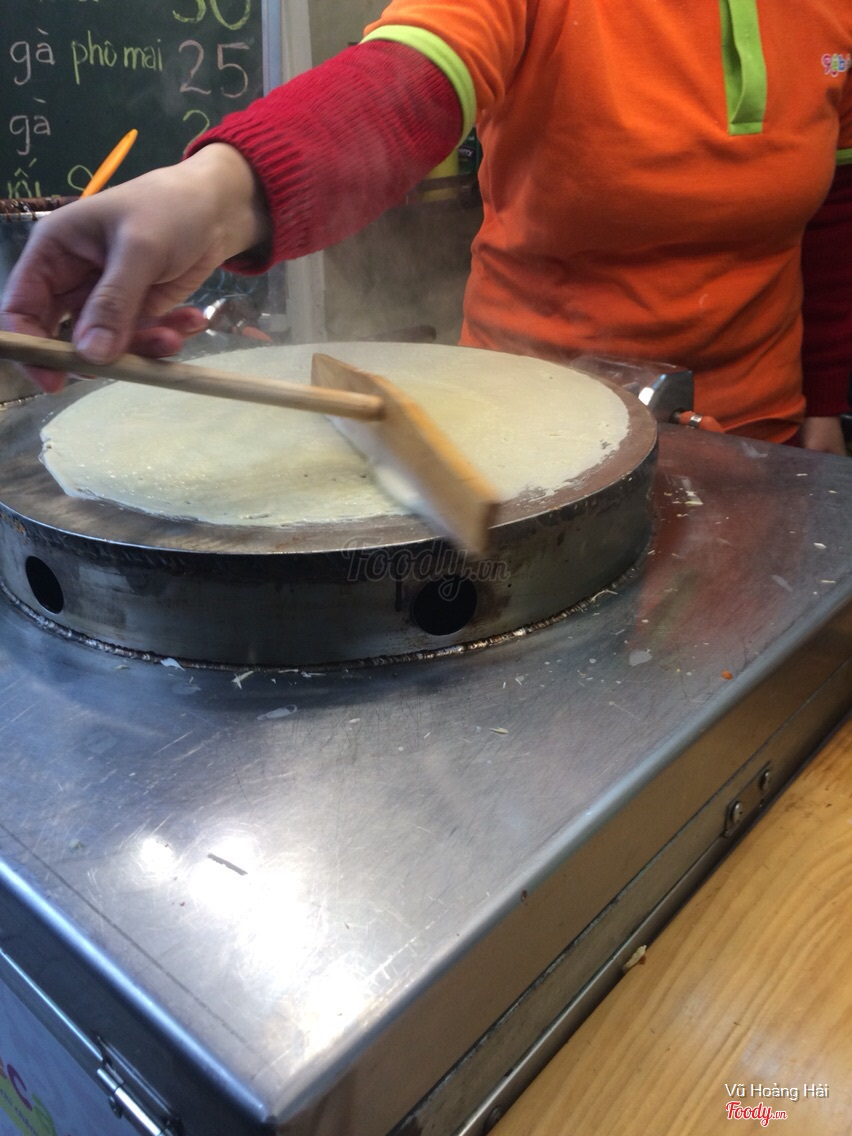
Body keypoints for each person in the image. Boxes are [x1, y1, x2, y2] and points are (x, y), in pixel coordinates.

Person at [1, 0, 850, 453]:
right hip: (530, 439)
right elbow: (409, 84)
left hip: (760, 441)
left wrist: (829, 401)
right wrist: (214, 196)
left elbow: (836, 212)